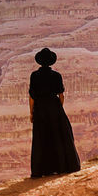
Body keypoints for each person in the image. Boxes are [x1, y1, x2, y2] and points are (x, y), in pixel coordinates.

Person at [28, 47, 81, 178]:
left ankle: (42, 170)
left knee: (42, 137)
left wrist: (31, 112)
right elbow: (61, 95)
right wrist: (59, 109)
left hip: (40, 108)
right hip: (54, 106)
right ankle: (63, 167)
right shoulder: (57, 75)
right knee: (60, 136)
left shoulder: (34, 75)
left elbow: (32, 96)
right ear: (51, 62)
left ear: (39, 61)